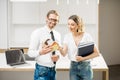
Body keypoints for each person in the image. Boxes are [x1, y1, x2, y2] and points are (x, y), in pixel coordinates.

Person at [58, 15, 100, 80]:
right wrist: (59, 48)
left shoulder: (87, 36)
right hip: (73, 67)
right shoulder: (67, 37)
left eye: (72, 24)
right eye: (68, 24)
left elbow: (97, 53)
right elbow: (64, 54)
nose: (69, 27)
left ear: (78, 25)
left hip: (86, 67)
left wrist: (83, 58)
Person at [27, 10, 61, 80]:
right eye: (51, 19)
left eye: (56, 20)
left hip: (53, 69)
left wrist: (58, 56)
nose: (53, 22)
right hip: (42, 70)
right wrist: (40, 52)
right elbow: (30, 53)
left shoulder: (58, 35)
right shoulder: (37, 32)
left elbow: (57, 50)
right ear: (46, 18)